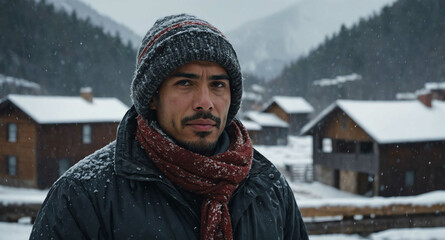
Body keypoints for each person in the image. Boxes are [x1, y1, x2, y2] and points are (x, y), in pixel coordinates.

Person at [30, 14, 308, 240]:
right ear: (152, 97)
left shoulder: (268, 188)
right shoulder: (83, 194)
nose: (205, 102)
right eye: (185, 83)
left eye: (218, 85)